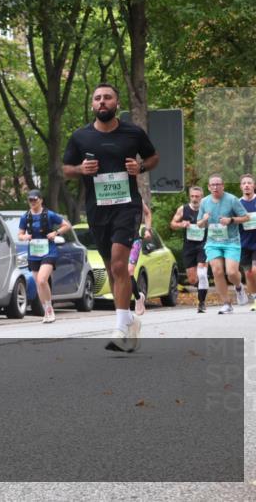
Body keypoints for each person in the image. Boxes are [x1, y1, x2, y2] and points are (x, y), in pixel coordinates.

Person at [62, 83, 158, 352]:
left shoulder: (133, 133)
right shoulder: (80, 137)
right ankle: (130, 322)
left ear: (117, 103)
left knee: (118, 265)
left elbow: (153, 157)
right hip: (97, 209)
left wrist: (140, 166)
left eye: (107, 97)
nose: (102, 101)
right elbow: (66, 169)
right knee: (112, 268)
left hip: (127, 206)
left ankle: (119, 328)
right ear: (92, 104)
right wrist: (81, 169)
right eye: (97, 98)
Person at [197, 175, 249, 314]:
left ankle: (239, 286)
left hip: (231, 241)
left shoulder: (232, 199)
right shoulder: (204, 202)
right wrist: (204, 220)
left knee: (231, 272)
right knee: (217, 271)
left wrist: (230, 220)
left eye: (218, 184)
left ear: (223, 186)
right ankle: (227, 303)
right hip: (213, 242)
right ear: (209, 187)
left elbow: (246, 217)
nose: (215, 187)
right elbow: (199, 224)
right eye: (212, 185)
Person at [17, 189, 71, 323]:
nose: (32, 202)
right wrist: (25, 237)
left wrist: (55, 233)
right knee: (38, 284)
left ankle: (50, 309)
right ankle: (46, 310)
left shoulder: (49, 214)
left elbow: (66, 225)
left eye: (35, 200)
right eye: (30, 200)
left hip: (48, 251)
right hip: (34, 252)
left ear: (41, 200)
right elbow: (20, 235)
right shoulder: (25, 217)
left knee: (42, 280)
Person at [170, 185, 209, 313]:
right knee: (192, 279)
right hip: (189, 246)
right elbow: (172, 224)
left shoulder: (207, 209)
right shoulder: (183, 209)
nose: (194, 199)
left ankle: (201, 302)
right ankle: (203, 286)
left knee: (202, 274)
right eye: (192, 196)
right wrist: (181, 224)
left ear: (202, 197)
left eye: (197, 196)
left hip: (204, 244)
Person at [238, 174, 256, 312]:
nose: (247, 185)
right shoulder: (236, 203)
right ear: (241, 187)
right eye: (244, 183)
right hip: (243, 243)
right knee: (248, 274)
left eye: (249, 183)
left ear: (254, 185)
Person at [127, 201, 153, 316]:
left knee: (129, 271)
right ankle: (124, 307)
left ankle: (137, 298)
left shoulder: (136, 198)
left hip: (134, 240)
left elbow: (147, 213)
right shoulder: (115, 198)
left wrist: (147, 230)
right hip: (117, 240)